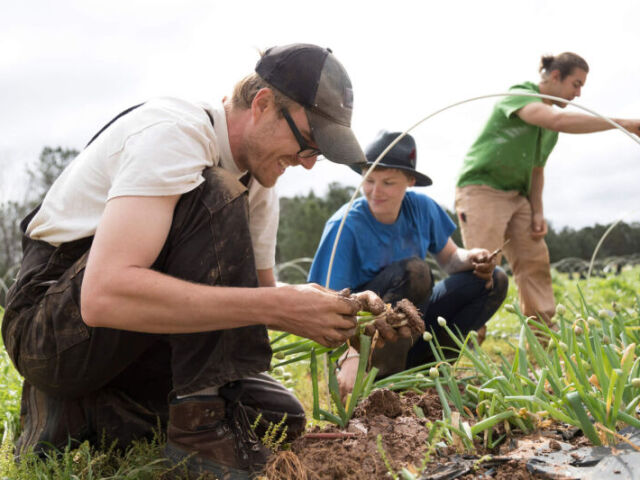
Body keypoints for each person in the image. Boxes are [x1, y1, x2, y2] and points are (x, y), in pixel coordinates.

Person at [2, 43, 379, 479]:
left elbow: (253, 303)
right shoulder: (176, 134)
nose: (308, 164)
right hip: (50, 327)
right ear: (262, 104)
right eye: (308, 143)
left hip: (133, 337)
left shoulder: (259, 180)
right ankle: (197, 436)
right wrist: (277, 304)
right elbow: (102, 296)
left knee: (276, 417)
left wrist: (334, 310)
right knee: (214, 193)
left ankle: (82, 410)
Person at [308, 131, 508, 397]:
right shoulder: (344, 226)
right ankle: (380, 382)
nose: (375, 192)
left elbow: (449, 258)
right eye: (369, 180)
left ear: (410, 181)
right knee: (417, 272)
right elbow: (327, 304)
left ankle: (427, 368)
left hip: (409, 325)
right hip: (359, 335)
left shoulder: (422, 208)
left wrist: (472, 257)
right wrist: (350, 354)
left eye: (388, 182)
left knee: (494, 280)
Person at [455, 52, 640, 326]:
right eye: (575, 84)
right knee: (483, 267)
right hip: (483, 190)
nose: (577, 94)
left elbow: (537, 170)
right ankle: (465, 339)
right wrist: (621, 123)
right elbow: (557, 120)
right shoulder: (521, 95)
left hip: (518, 197)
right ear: (555, 76)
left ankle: (544, 338)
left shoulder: (549, 128)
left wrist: (537, 212)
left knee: (534, 262)